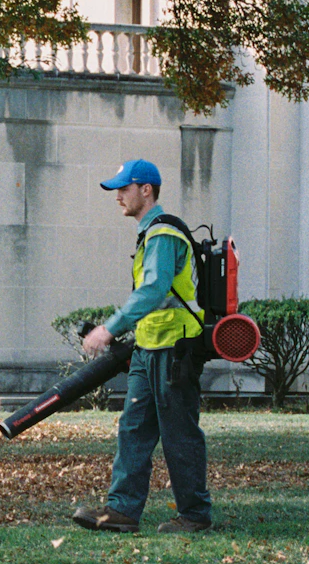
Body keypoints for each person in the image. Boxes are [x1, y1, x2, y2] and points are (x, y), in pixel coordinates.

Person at [70, 158, 213, 534]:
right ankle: (121, 511)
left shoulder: (163, 234)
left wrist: (109, 328)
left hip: (173, 349)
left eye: (124, 188)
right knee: (133, 428)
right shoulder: (151, 233)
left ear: (145, 190)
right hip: (150, 348)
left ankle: (195, 514)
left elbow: (154, 288)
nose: (118, 196)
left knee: (179, 432)